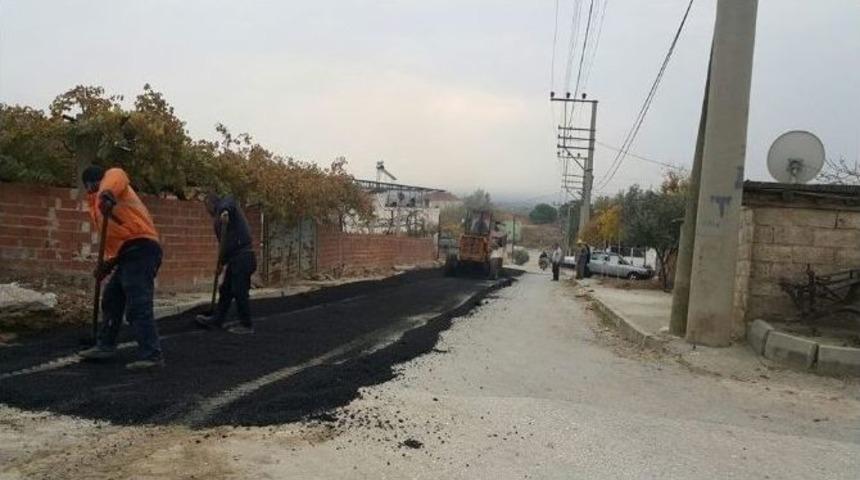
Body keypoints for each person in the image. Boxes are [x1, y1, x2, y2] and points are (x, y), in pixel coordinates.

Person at [78, 165, 165, 370]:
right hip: (126, 254)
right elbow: (116, 241)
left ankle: (152, 356)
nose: (92, 189)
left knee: (138, 303)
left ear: (93, 182)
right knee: (112, 299)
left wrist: (106, 193)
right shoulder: (96, 206)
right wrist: (107, 265)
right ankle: (105, 345)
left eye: (93, 186)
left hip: (142, 247)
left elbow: (117, 177)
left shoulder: (112, 180)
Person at [196, 193, 257, 334]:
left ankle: (246, 325)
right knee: (226, 290)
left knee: (239, 290)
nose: (207, 210)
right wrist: (221, 264)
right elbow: (223, 245)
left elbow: (229, 201)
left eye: (207, 205)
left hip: (244, 256)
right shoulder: (218, 223)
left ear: (212, 203)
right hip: (234, 259)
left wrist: (225, 211)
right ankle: (217, 320)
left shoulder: (226, 206)